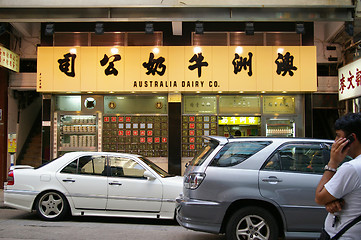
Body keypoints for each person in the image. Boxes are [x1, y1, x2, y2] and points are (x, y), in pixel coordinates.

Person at [315, 113, 361, 239]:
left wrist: (333, 163)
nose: (335, 141)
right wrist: (332, 200)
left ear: (352, 138)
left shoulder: (352, 168)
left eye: (338, 136)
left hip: (342, 234)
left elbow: (320, 196)